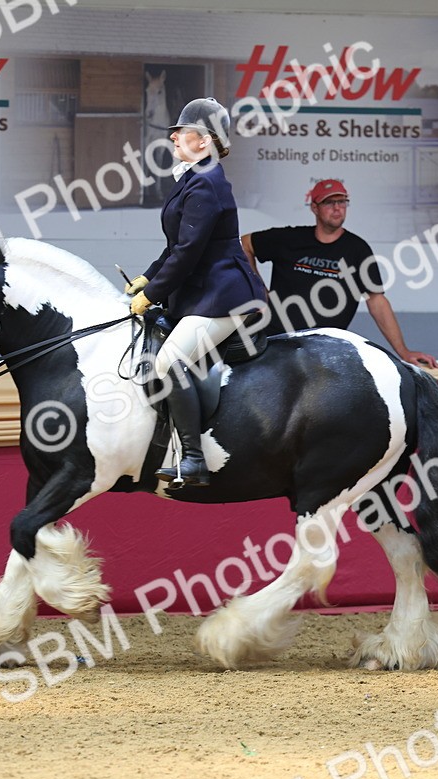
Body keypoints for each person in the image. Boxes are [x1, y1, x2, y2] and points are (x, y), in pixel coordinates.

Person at [125, 97, 266, 489]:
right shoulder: (193, 178)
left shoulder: (206, 182)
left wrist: (152, 295)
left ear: (204, 141)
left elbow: (188, 254)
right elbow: (177, 245)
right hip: (204, 292)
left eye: (180, 131)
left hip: (224, 296)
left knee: (170, 361)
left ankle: (192, 459)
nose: (172, 137)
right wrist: (147, 278)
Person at [241, 179, 438, 368]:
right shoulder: (289, 239)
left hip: (325, 352)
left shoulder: (357, 250)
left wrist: (403, 352)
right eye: (329, 202)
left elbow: (377, 302)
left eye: (342, 201)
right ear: (314, 207)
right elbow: (245, 244)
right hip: (276, 343)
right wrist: (257, 291)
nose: (337, 208)